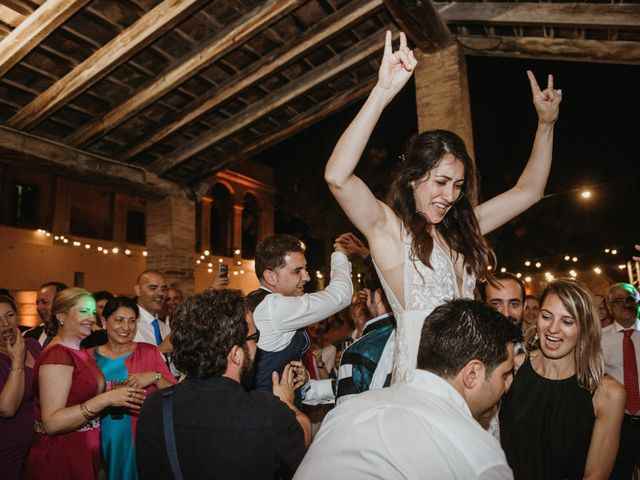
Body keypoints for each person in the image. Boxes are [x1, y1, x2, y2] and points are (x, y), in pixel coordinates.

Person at [324, 31, 562, 383]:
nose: (450, 196)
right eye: (440, 182)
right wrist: (383, 92)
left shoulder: (462, 229)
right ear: (412, 178)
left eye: (458, 186)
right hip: (425, 381)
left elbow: (529, 191)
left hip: (475, 379)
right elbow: (337, 177)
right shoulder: (390, 229)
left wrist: (546, 124)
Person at [294, 299, 521, 479]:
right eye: (505, 373)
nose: (509, 383)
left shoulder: (349, 410)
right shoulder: (477, 456)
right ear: (473, 374)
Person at [136, 289, 310, 479]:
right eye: (255, 338)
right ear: (236, 354)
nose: (257, 347)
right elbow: (303, 438)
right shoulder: (265, 411)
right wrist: (287, 402)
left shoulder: (155, 406)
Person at [499, 279, 625, 480]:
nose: (552, 329)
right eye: (546, 316)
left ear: (585, 328)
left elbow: (595, 476)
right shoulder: (509, 369)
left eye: (567, 321)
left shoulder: (607, 393)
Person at [24, 288, 145, 480]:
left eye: (92, 312)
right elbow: (52, 423)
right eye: (83, 311)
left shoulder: (80, 351)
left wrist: (116, 391)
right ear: (61, 316)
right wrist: (106, 399)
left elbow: (79, 393)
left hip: (82, 450)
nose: (91, 318)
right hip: (60, 455)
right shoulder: (57, 355)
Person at [247, 234, 353, 398]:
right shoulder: (274, 308)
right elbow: (340, 296)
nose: (307, 277)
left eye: (305, 269)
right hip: (269, 415)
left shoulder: (259, 302)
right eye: (297, 271)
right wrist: (340, 256)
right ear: (271, 277)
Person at [90, 297, 176, 480]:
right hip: (97, 436)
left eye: (132, 321)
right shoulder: (87, 357)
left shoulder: (149, 352)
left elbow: (174, 394)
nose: (126, 328)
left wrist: (155, 376)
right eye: (119, 320)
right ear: (104, 322)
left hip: (139, 437)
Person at [335, 264, 396, 405]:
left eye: (367, 295)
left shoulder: (358, 351)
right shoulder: (419, 335)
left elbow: (346, 411)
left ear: (378, 296)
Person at [0, 294, 42, 479]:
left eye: (9, 315)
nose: (5, 323)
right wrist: (17, 360)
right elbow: (7, 409)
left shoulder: (32, 345)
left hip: (41, 449)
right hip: (9, 457)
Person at [602, 283, 640, 479]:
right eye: (619, 300)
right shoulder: (598, 339)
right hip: (617, 423)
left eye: (631, 299)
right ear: (609, 307)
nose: (626, 304)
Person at [24, 281, 67, 347]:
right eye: (37, 303)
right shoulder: (29, 336)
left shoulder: (83, 338)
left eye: (44, 302)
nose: (39, 307)